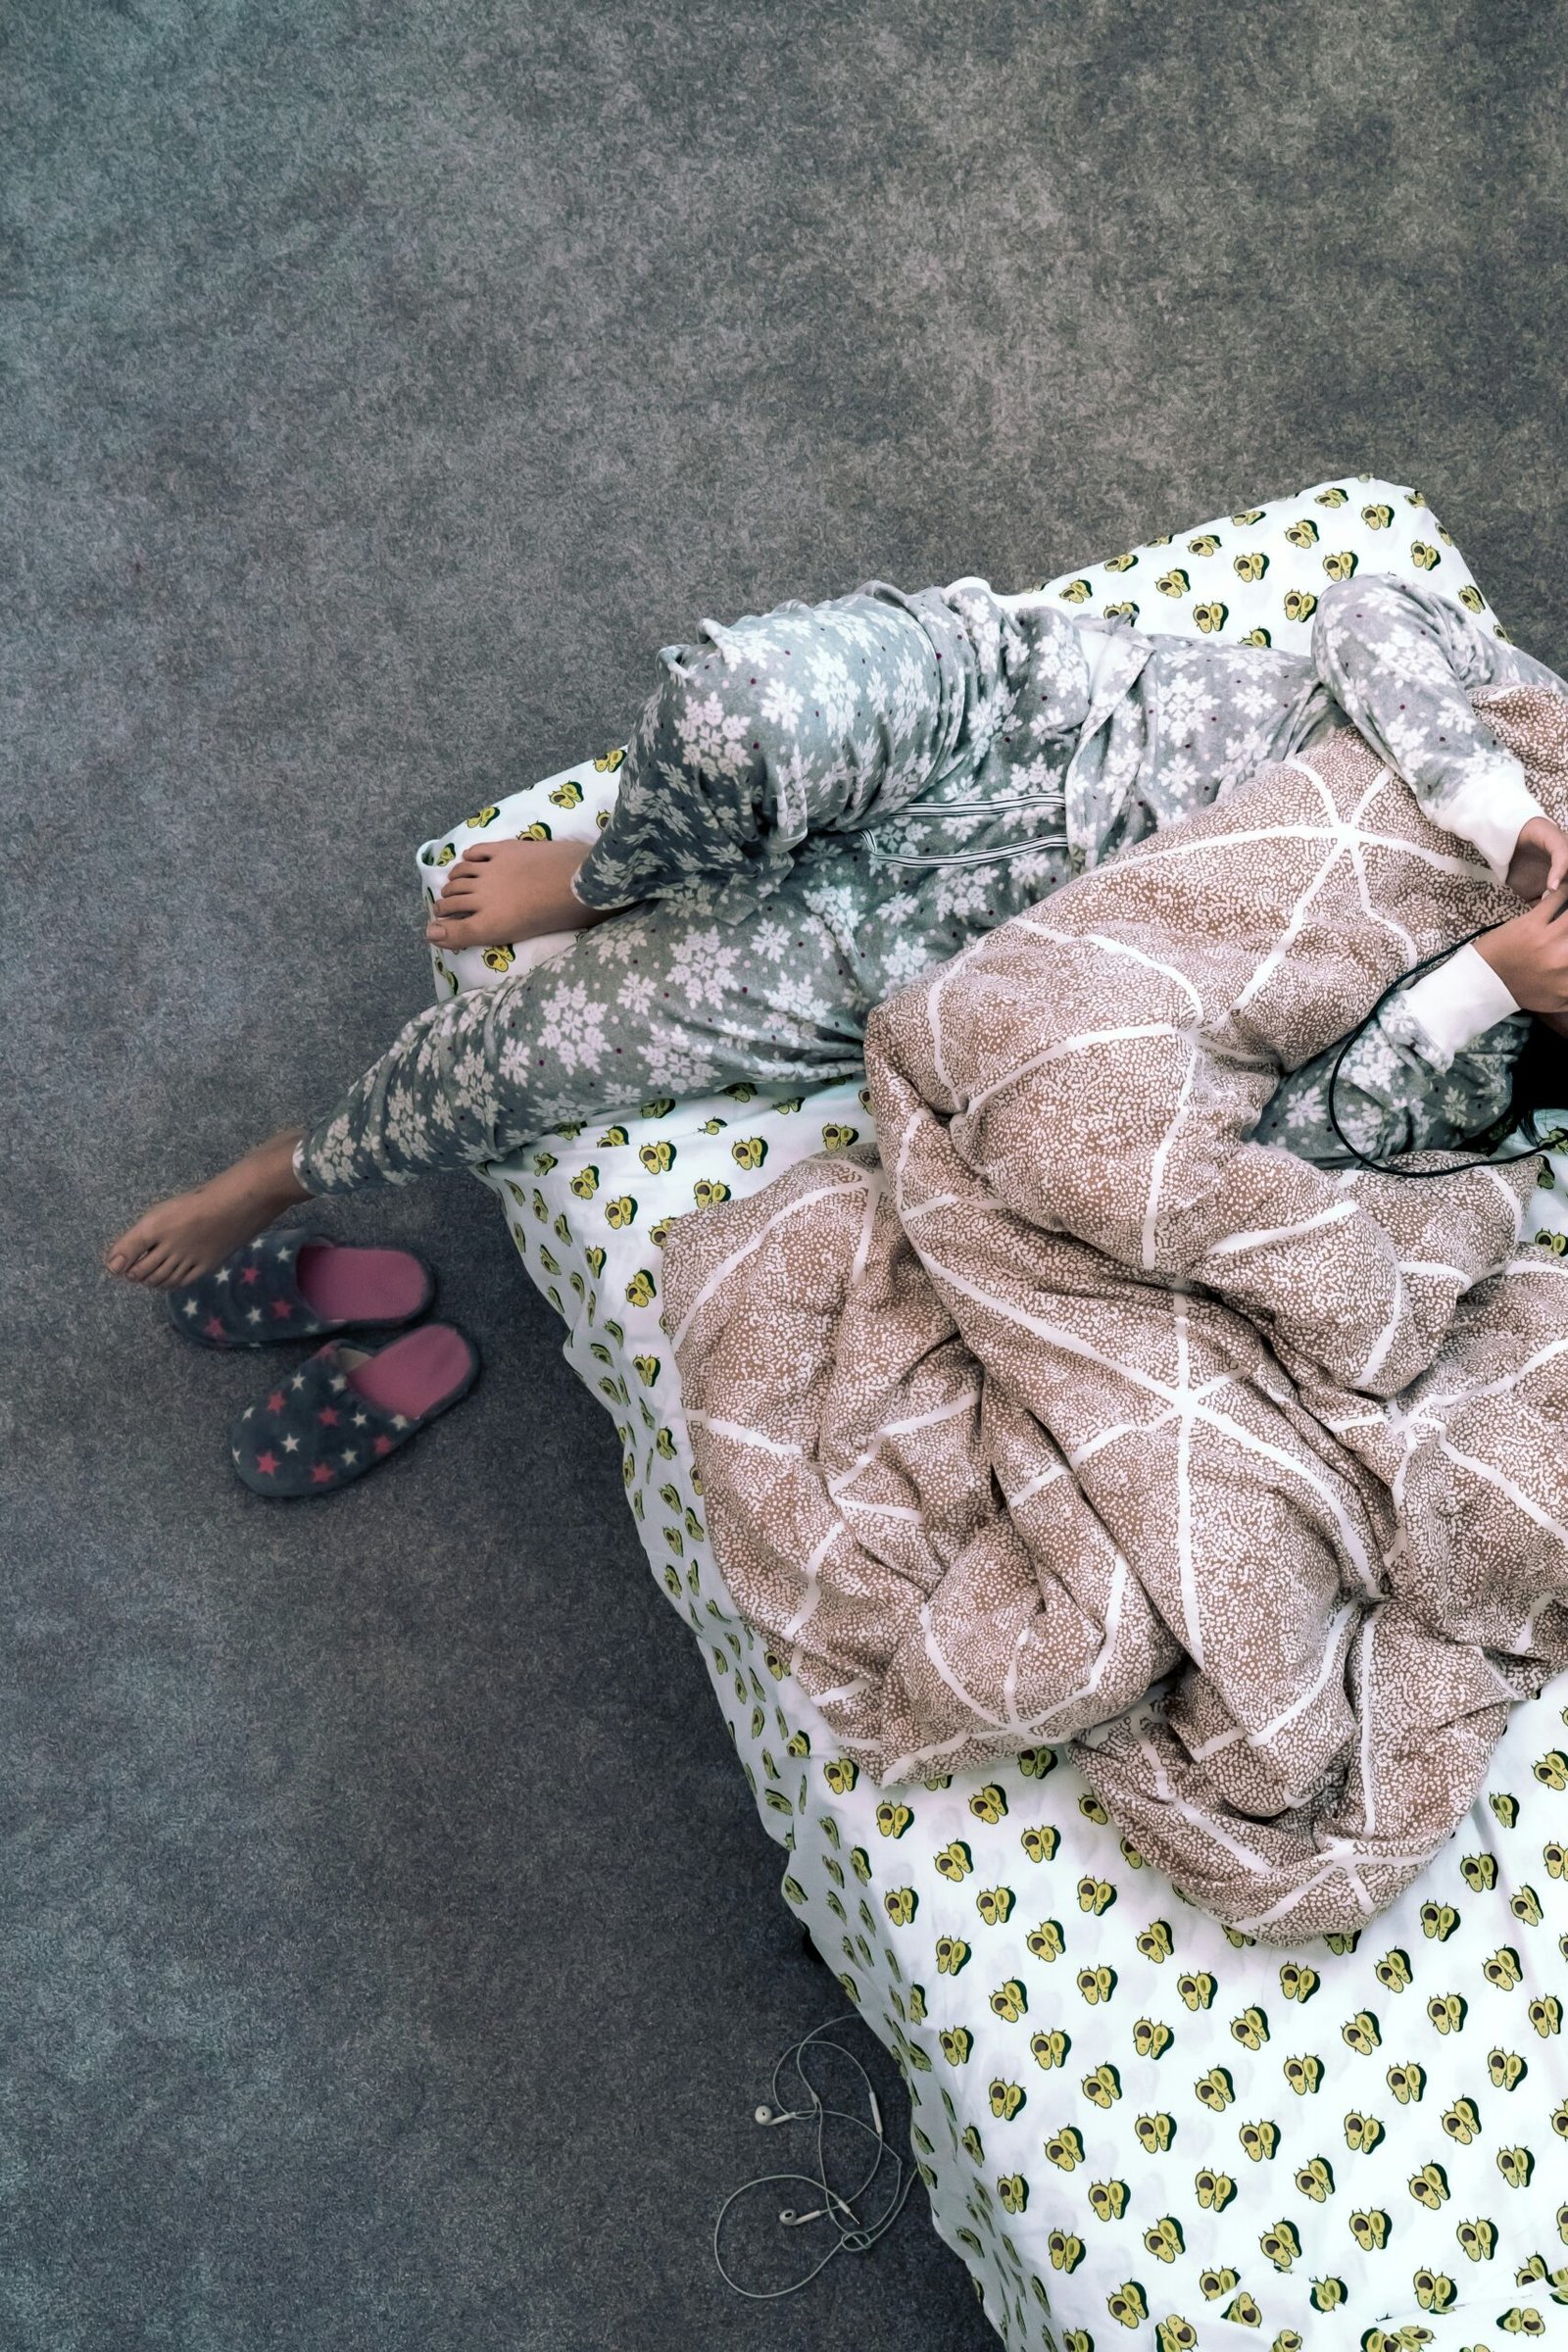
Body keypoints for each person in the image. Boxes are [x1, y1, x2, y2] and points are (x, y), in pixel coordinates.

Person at [106, 568, 1568, 1293]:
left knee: (555, 1049)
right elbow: (1374, 614)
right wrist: (1496, 811)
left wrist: (1484, 988)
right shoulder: (1538, 754)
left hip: (961, 943)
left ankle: (287, 1172)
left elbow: (1299, 1142)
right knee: (739, 710)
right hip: (1025, 714)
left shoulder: (1496, 1076)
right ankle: (628, 865)